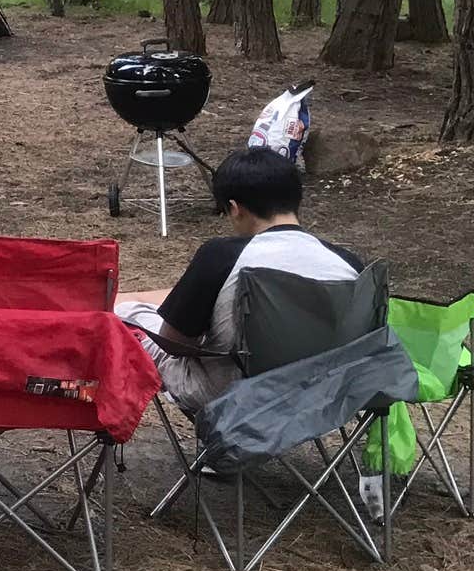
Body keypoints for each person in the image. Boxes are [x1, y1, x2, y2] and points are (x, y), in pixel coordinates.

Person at [117, 147, 361, 411]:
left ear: (234, 208)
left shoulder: (223, 255)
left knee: (126, 314)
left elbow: (175, 344)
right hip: (323, 396)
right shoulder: (349, 264)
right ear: (296, 199)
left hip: (235, 394)